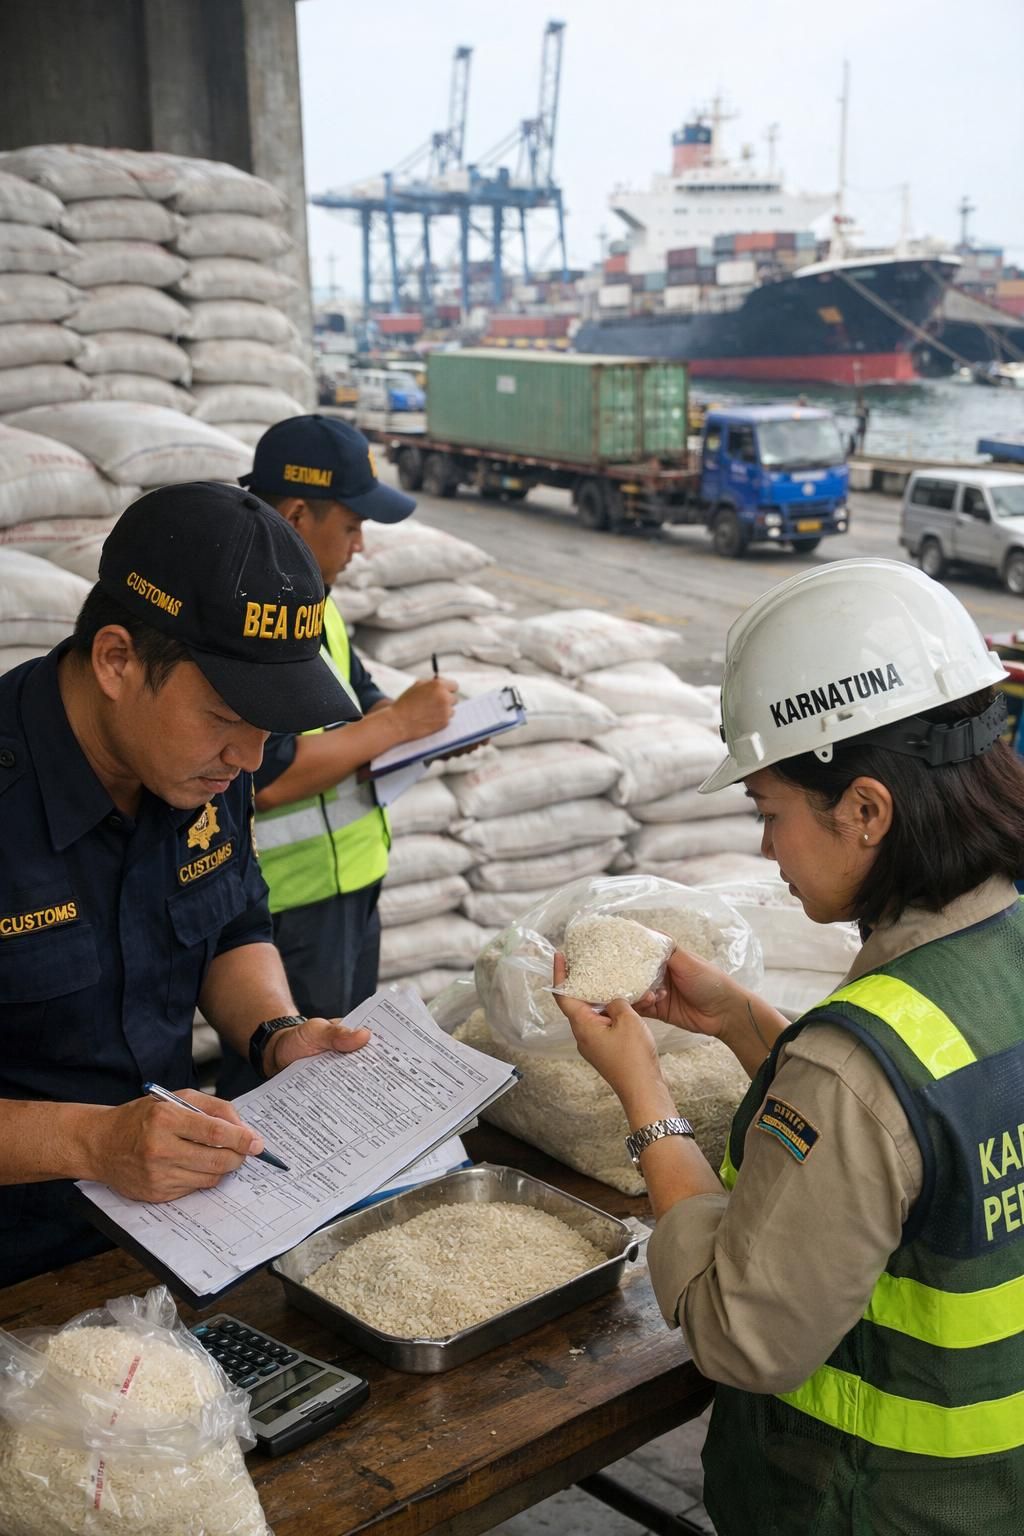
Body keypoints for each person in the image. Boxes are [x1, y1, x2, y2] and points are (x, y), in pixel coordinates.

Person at [554, 558, 1024, 1535]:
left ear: (864, 810)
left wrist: (647, 1104)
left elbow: (742, 1334)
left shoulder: (849, 1070)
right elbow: (911, 1127)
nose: (766, 849)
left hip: (866, 1505)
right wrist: (736, 1018)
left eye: (768, 813)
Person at [0, 481, 373, 1289]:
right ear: (116, 660)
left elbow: (232, 923)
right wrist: (91, 1143)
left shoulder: (206, 768)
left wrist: (278, 1033)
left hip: (174, 1240)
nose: (250, 758)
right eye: (225, 717)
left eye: (269, 728)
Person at [214, 415, 457, 1099]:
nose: (359, 547)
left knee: (340, 1074)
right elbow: (269, 773)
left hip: (346, 889)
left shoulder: (312, 600)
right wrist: (398, 724)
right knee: (287, 1088)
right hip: (285, 911)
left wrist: (417, 726)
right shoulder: (246, 616)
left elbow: (361, 700)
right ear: (296, 513)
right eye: (350, 527)